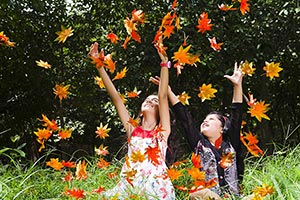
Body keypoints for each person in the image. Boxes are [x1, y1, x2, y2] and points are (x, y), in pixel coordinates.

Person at [89, 40, 175, 199]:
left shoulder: (162, 132)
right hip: (131, 184)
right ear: (141, 112)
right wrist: (99, 65)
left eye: (154, 101)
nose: (150, 101)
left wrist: (164, 63)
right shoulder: (132, 130)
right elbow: (116, 98)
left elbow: (163, 96)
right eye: (147, 99)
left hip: (156, 187)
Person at [150, 63, 245, 200]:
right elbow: (185, 119)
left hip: (233, 197)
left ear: (222, 127)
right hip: (210, 197)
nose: (205, 121)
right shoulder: (199, 144)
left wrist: (237, 85)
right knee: (199, 194)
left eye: (211, 119)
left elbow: (237, 114)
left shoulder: (231, 143)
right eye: (204, 120)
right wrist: (169, 92)